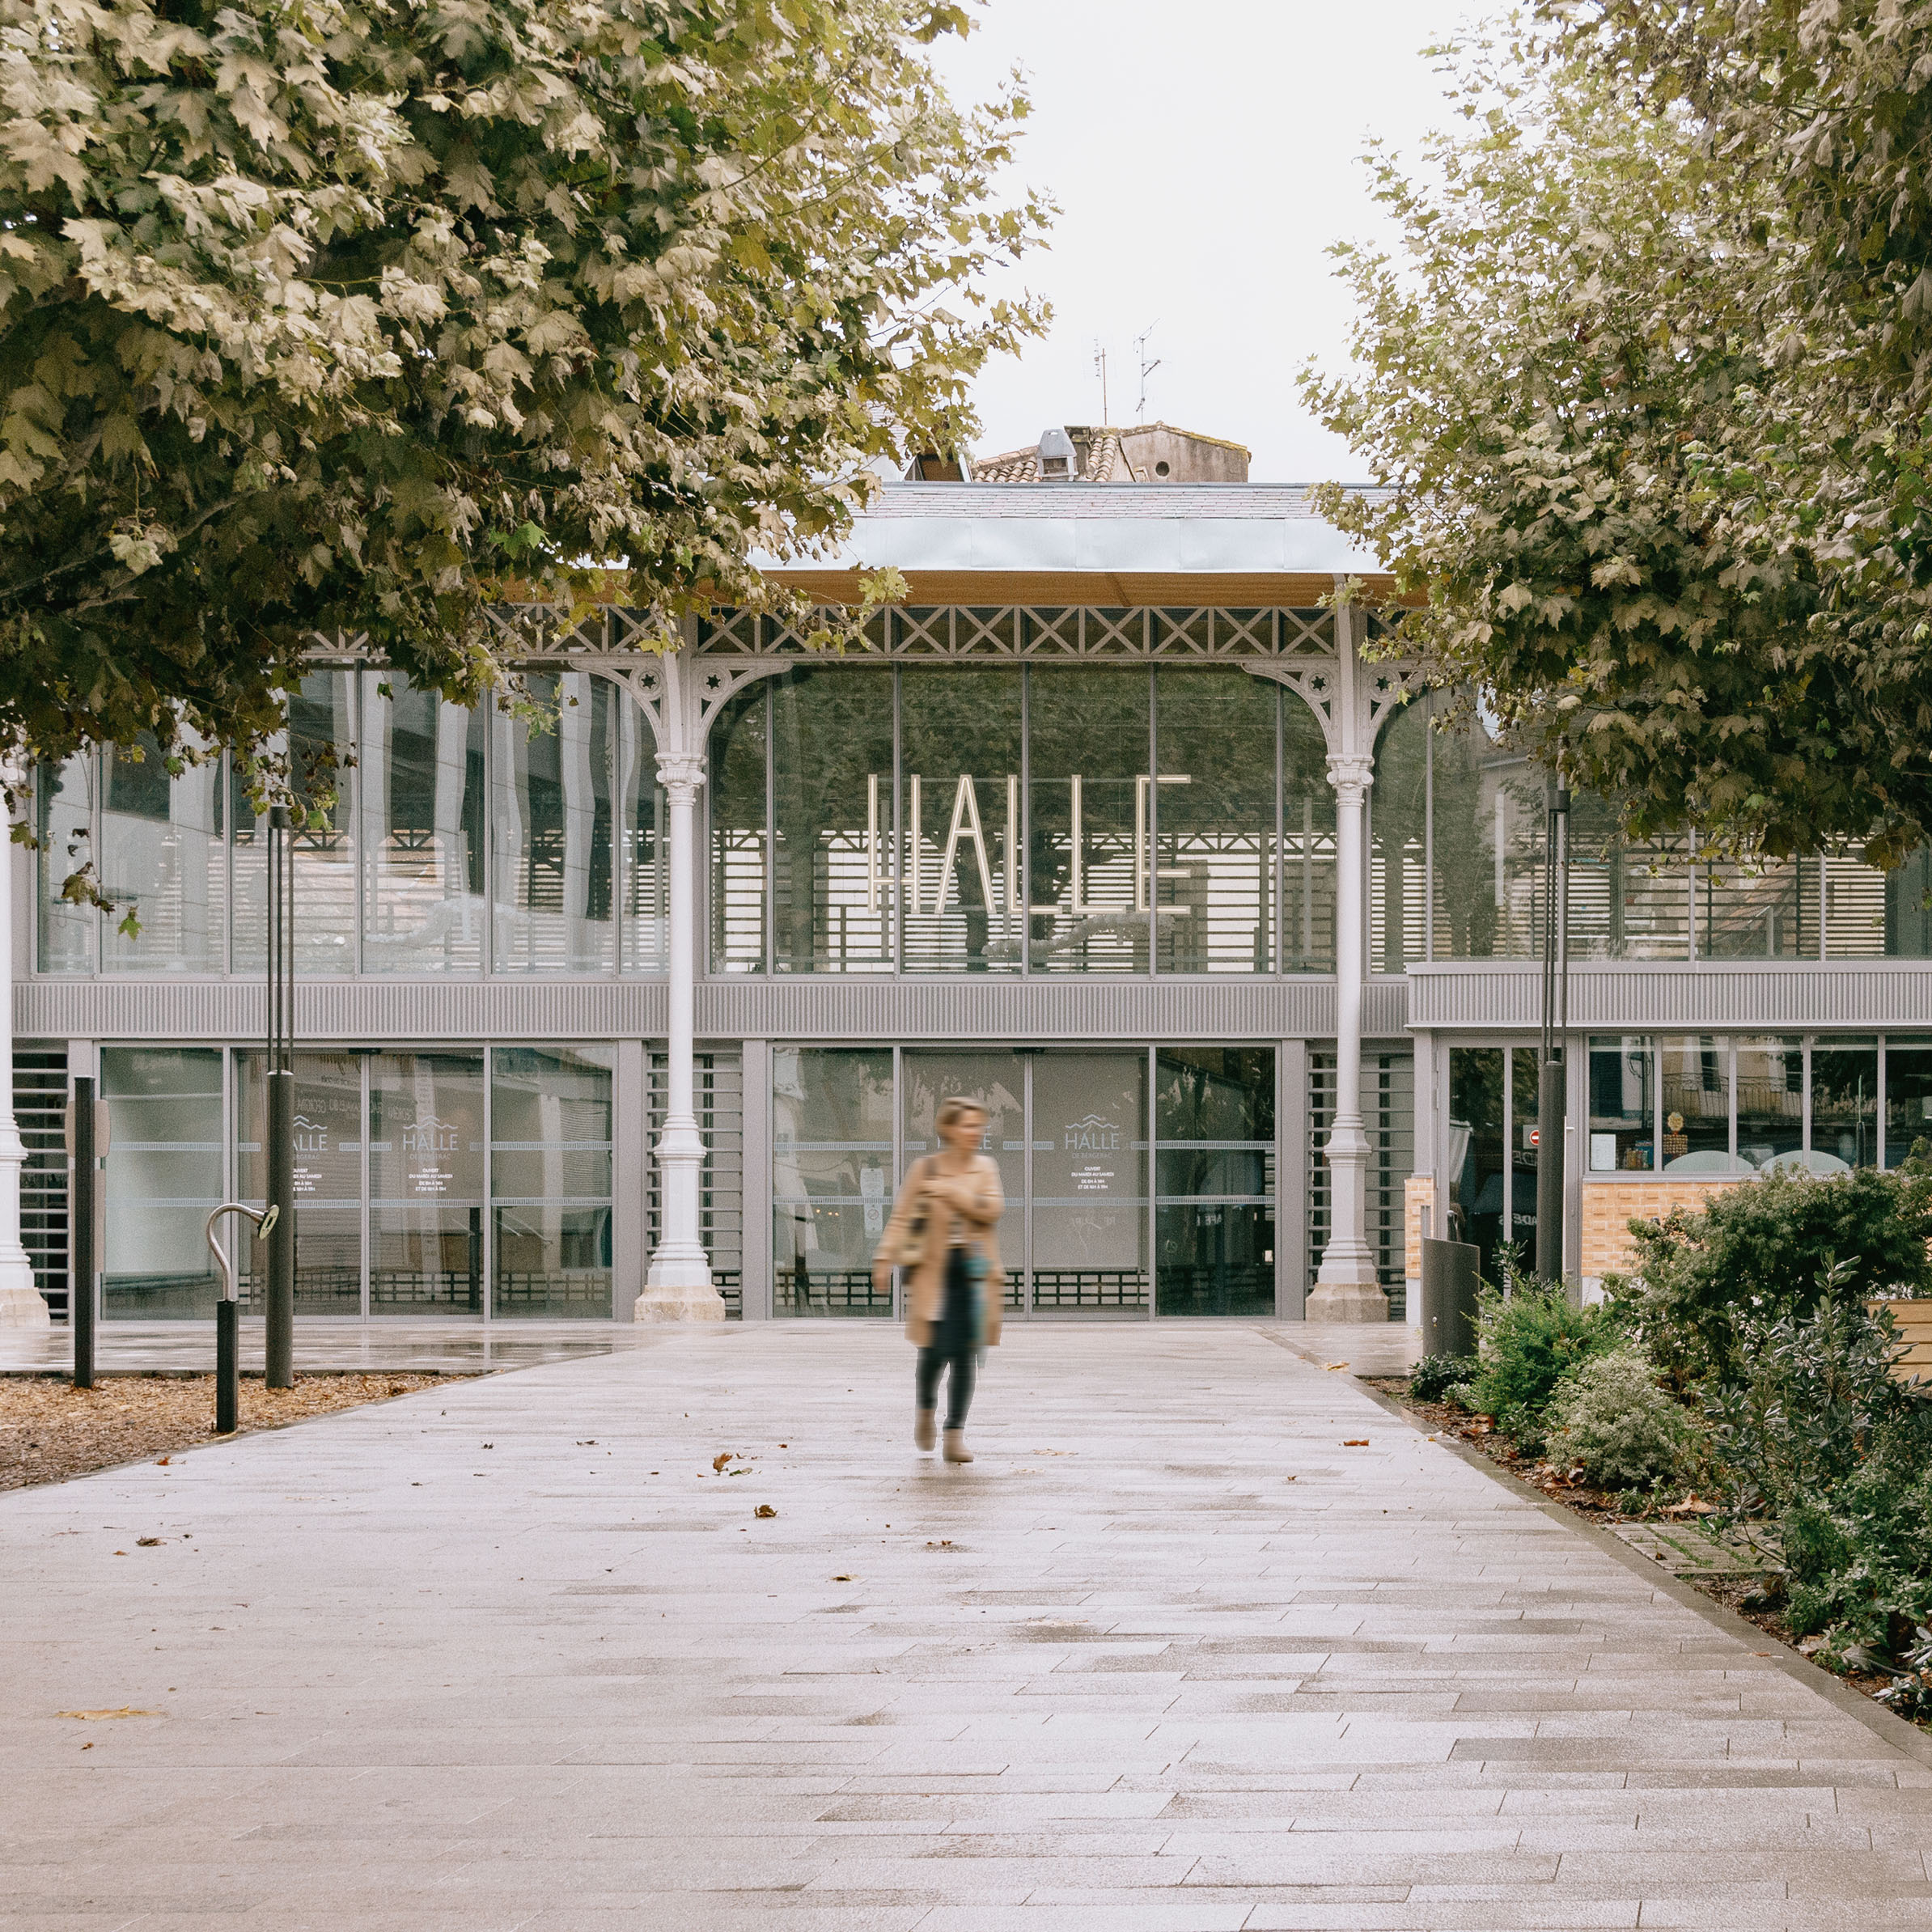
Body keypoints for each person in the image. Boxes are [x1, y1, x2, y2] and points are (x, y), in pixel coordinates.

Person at [874, 1096, 1004, 1463]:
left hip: (973, 1272)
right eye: (967, 1125)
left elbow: (993, 1209)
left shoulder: (985, 1167)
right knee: (931, 1354)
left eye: (979, 1126)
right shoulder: (925, 1168)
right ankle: (925, 1414)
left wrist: (953, 1192)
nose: (975, 1132)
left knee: (966, 1355)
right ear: (947, 1128)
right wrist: (884, 1257)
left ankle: (954, 1435)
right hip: (934, 1271)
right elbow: (901, 1217)